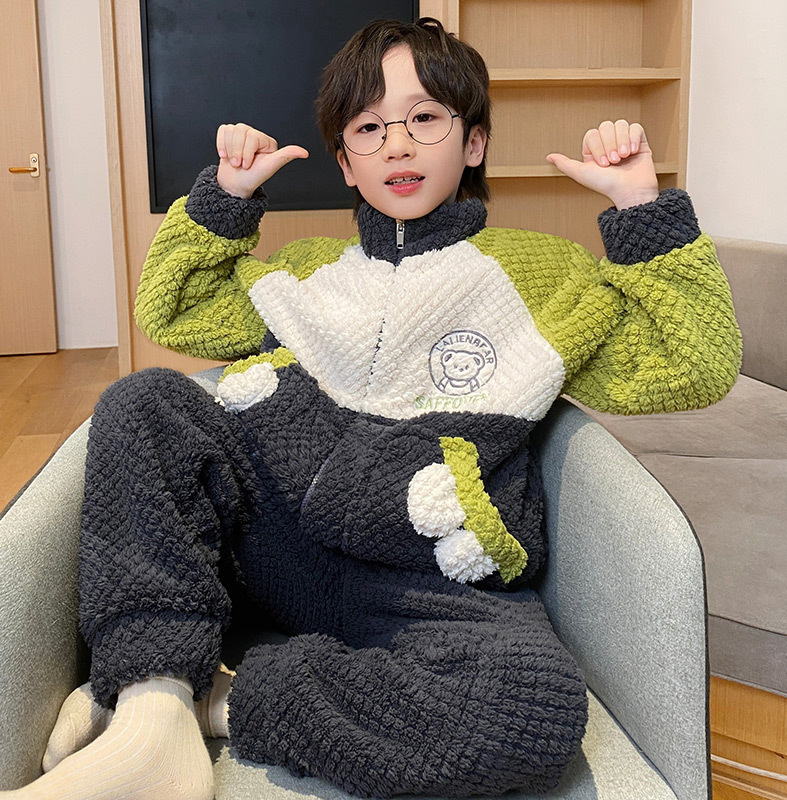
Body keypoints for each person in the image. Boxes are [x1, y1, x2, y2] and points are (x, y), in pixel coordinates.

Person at [2, 16, 741, 800]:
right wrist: (227, 197)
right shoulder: (305, 269)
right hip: (278, 546)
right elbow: (175, 310)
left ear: (474, 142)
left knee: (534, 707)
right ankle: (150, 701)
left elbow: (691, 365)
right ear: (345, 162)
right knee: (144, 399)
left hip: (431, 582)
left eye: (424, 118)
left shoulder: (546, 276)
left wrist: (640, 208)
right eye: (369, 127)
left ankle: (217, 701)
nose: (397, 145)